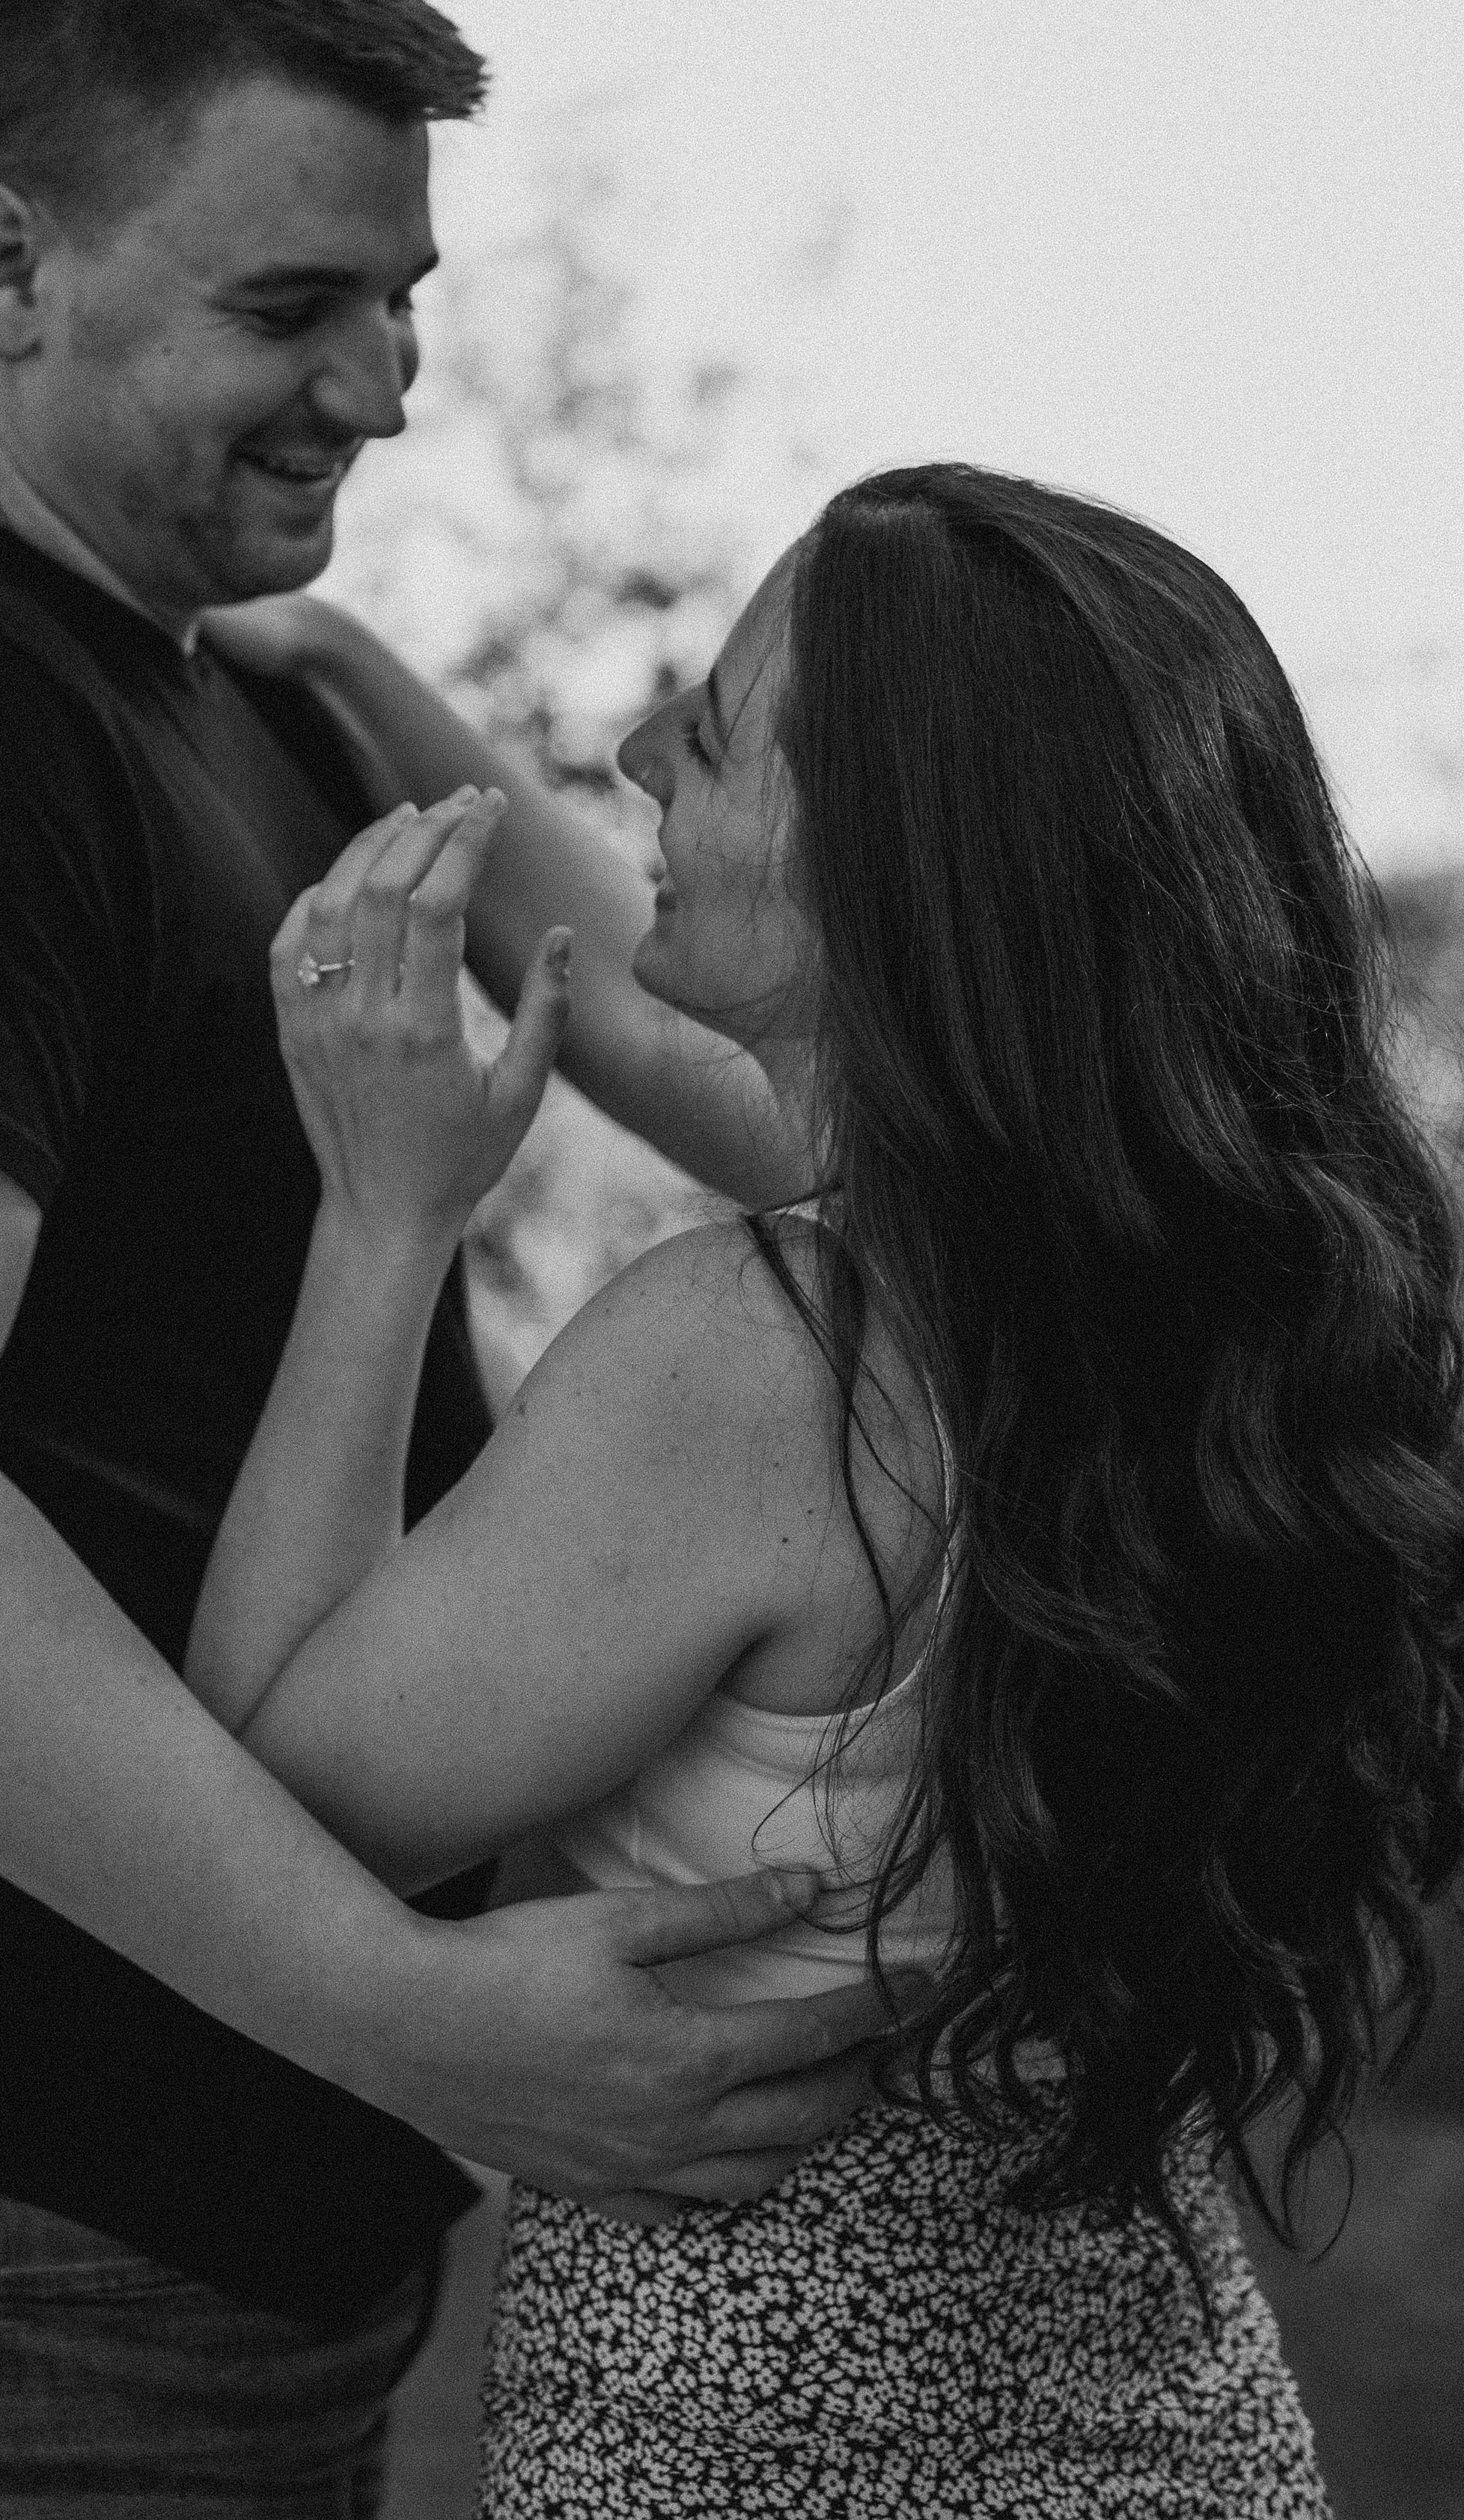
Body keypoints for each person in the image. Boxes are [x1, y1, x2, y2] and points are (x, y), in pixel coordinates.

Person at [0, 0, 900, 2518]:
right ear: (7, 264)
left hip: (187, 2195)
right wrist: (411, 2013)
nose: (387, 386)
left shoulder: (235, 709)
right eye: (298, 305)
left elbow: (848, 1131)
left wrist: (427, 748)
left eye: (404, 299)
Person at [192, 465, 1464, 2515]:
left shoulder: (752, 1351)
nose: (619, 762)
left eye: (698, 739)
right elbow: (651, 1008)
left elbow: (287, 1780)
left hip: (752, 2449)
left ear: (883, 864)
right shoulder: (1210, 1321)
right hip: (1172, 2432)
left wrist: (381, 1212)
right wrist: (335, 657)